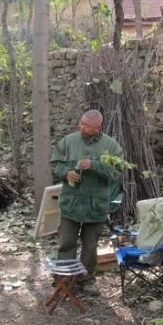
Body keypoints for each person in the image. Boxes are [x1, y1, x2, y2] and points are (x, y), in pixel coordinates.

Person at [50, 109, 123, 296]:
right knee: (66, 242)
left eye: (87, 126)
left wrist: (95, 165)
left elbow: (117, 172)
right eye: (81, 123)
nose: (81, 127)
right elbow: (55, 165)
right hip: (71, 203)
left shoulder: (111, 146)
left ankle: (87, 280)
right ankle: (64, 279)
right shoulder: (68, 141)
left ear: (98, 128)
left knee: (90, 246)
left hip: (96, 205)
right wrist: (67, 173)